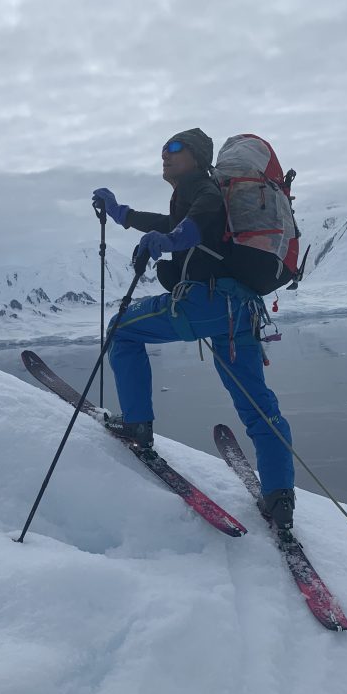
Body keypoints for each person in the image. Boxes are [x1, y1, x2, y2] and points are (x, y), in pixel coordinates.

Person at [91, 128, 297, 528]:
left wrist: (167, 241)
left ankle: (137, 424)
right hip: (241, 311)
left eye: (174, 148)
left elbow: (195, 225)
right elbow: (173, 222)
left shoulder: (202, 188)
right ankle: (279, 495)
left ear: (198, 156)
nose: (165, 155)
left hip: (205, 303)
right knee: (257, 404)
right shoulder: (202, 193)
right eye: (163, 149)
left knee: (122, 329)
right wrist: (121, 214)